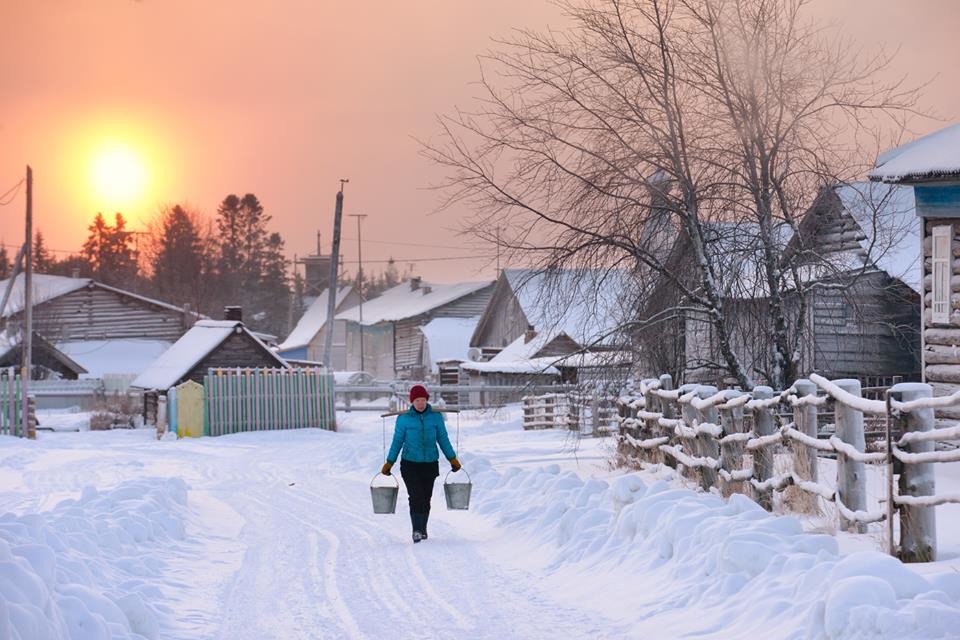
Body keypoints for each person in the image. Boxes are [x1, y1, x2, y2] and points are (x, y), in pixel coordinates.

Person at [381, 384, 461, 543]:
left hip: (430, 463)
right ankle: (416, 530)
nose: (420, 403)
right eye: (417, 400)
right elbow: (397, 441)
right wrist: (389, 463)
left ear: (426, 400)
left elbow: (443, 439)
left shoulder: (435, 417)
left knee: (426, 497)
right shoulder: (404, 419)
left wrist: (452, 459)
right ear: (412, 401)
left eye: (423, 399)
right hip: (410, 463)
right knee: (416, 495)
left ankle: (423, 529)